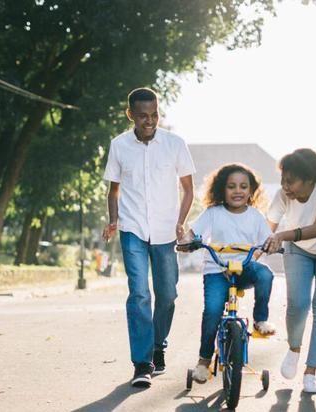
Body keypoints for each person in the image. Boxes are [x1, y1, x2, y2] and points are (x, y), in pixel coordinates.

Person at [102, 87, 195, 388]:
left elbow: (188, 189)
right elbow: (113, 189)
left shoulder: (175, 144)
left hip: (166, 231)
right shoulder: (119, 145)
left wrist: (181, 222)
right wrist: (114, 220)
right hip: (132, 229)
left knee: (167, 294)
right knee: (140, 293)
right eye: (143, 116)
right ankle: (142, 362)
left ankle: (158, 345)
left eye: (154, 114)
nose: (150, 120)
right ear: (130, 115)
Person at [264, 148, 316, 394]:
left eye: (290, 181)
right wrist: (255, 250)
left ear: (310, 178)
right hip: (298, 251)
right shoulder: (283, 196)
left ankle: (311, 372)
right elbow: (266, 229)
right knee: (298, 304)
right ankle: (294, 349)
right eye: (283, 180)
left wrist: (281, 235)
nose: (285, 186)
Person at [179, 163, 275, 383]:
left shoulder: (256, 216)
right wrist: (186, 242)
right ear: (222, 189)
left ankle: (261, 320)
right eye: (231, 186)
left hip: (244, 268)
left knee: (266, 275)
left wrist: (271, 244)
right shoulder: (213, 213)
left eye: (243, 186)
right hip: (216, 270)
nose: (238, 191)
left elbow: (266, 240)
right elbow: (193, 233)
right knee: (212, 311)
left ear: (251, 191)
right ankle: (203, 361)